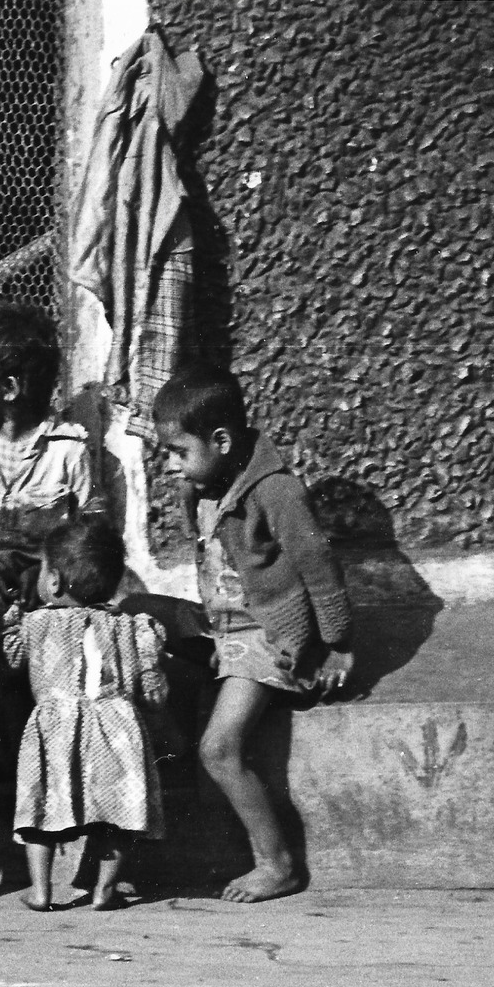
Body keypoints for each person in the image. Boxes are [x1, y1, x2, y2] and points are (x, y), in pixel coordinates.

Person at [151, 374, 353, 903]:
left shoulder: (277, 491)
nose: (170, 465)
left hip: (266, 635)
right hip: (225, 628)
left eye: (178, 452)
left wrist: (334, 641)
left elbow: (318, 564)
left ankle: (277, 863)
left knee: (218, 749)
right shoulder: (202, 485)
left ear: (221, 442)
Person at [0, 299, 102, 788]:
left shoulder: (68, 449)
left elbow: (88, 533)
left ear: (7, 387)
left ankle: (47, 757)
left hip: (40, 599)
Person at [6, 518, 167, 912]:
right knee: (117, 811)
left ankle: (41, 890)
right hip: (118, 725)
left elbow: (12, 656)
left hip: (55, 724)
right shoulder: (132, 627)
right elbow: (152, 688)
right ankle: (105, 890)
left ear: (55, 582)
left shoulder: (37, 623)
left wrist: (10, 615)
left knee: (41, 806)